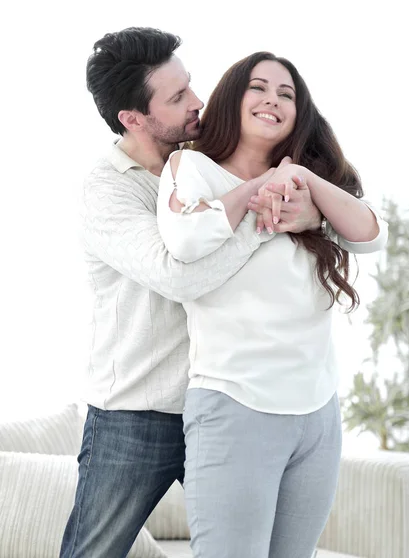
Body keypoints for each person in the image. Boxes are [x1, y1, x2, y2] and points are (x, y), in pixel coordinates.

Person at [60, 29, 322, 558]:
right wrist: (264, 215)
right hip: (138, 414)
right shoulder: (108, 190)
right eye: (176, 98)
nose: (198, 103)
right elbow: (177, 276)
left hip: (228, 404)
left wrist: (311, 211)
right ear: (133, 118)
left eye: (191, 87)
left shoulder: (209, 162)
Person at [156, 51, 388, 558]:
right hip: (235, 407)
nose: (272, 100)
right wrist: (262, 185)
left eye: (287, 94)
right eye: (258, 88)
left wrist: (306, 186)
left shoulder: (307, 191)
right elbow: (185, 240)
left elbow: (371, 235)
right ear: (232, 99)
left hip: (317, 416)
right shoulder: (191, 166)